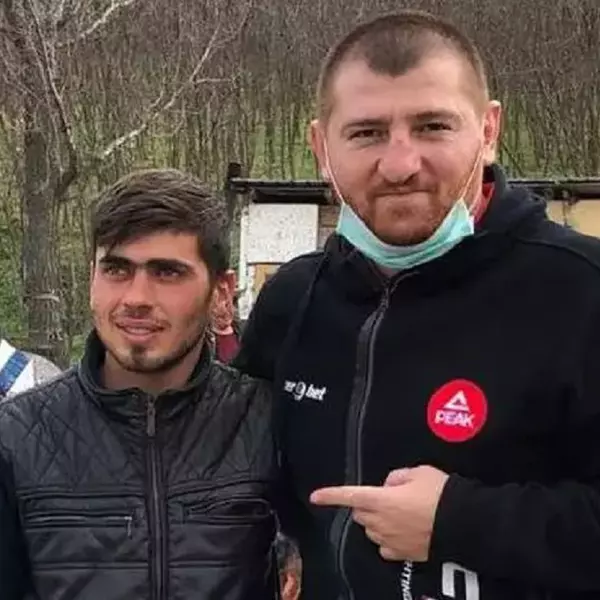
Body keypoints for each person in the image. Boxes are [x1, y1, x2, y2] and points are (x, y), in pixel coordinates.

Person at [233, 10, 600, 600]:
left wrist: (461, 520)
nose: (400, 165)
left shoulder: (582, 291)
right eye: (366, 133)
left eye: (432, 127)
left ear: (488, 130)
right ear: (321, 146)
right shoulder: (293, 302)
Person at [0, 169, 279, 600]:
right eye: (116, 269)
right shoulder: (17, 436)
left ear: (221, 292)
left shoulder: (266, 421)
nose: (136, 298)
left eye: (167, 273)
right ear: (92, 279)